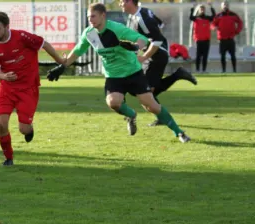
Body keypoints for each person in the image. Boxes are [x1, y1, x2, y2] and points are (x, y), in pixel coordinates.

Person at [48, 3, 190, 143]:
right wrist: (62, 66)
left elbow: (143, 40)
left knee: (151, 106)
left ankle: (179, 133)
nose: (90, 19)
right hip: (114, 76)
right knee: (113, 102)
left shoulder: (117, 28)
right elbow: (77, 51)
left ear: (103, 15)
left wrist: (134, 46)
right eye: (88, 17)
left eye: (93, 16)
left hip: (133, 72)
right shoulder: (88, 33)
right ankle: (131, 115)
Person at [0, 11, 66, 166]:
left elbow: (44, 44)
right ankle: (8, 158)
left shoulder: (22, 37)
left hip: (28, 89)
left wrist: (60, 61)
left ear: (7, 27)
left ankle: (29, 129)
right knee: (1, 123)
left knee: (24, 129)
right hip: (7, 89)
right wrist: (4, 77)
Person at [120, 0, 197, 127]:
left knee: (146, 92)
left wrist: (144, 56)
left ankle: (177, 76)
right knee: (143, 92)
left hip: (157, 55)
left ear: (130, 2)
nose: (120, 4)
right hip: (152, 55)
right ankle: (178, 75)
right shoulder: (142, 12)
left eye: (122, 1)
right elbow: (160, 25)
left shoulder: (142, 18)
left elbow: (157, 40)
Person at [212, 1, 243, 73]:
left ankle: (234, 70)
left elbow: (240, 22)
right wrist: (214, 28)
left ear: (228, 6)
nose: (225, 6)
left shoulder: (233, 14)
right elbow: (212, 24)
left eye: (226, 5)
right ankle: (224, 71)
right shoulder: (218, 15)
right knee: (222, 56)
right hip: (222, 39)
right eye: (224, 5)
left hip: (230, 38)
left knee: (233, 56)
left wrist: (237, 31)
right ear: (221, 6)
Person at [190, 2, 216, 73]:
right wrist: (193, 7)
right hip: (198, 40)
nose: (202, 10)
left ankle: (204, 70)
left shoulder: (207, 18)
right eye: (201, 9)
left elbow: (214, 16)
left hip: (206, 40)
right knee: (198, 56)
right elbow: (191, 17)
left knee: (205, 56)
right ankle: (197, 69)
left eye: (203, 9)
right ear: (198, 10)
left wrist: (211, 7)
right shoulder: (196, 18)